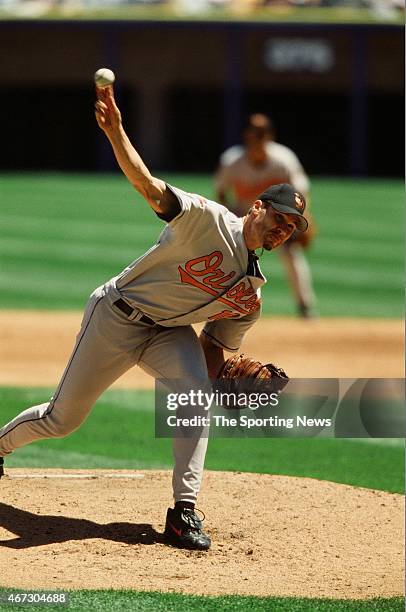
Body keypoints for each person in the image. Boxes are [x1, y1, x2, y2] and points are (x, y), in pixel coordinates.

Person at [0, 86, 309, 551]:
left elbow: (211, 350)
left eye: (290, 227)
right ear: (258, 206)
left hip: (168, 334)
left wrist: (222, 378)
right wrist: (117, 132)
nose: (282, 229)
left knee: (195, 399)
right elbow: (148, 185)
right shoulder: (206, 218)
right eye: (279, 217)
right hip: (116, 316)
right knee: (62, 419)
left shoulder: (250, 296)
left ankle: (183, 512)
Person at [215, 113, 317, 318]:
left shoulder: (283, 160)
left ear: (270, 136)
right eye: (255, 133)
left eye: (262, 134)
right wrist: (228, 217)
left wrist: (307, 220)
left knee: (291, 253)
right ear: (247, 135)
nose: (258, 138)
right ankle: (221, 306)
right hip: (245, 212)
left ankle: (305, 306)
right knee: (231, 257)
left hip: (280, 216)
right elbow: (221, 191)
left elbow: (301, 193)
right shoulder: (232, 161)